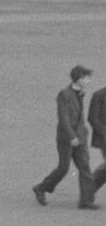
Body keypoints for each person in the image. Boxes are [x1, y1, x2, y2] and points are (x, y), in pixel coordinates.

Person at [32, 63, 98, 209]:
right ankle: (41, 188)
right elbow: (63, 118)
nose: (88, 81)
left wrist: (82, 134)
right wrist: (71, 136)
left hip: (80, 137)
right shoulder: (64, 94)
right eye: (86, 78)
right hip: (67, 139)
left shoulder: (80, 93)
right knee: (63, 168)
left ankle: (86, 201)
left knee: (85, 167)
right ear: (79, 79)